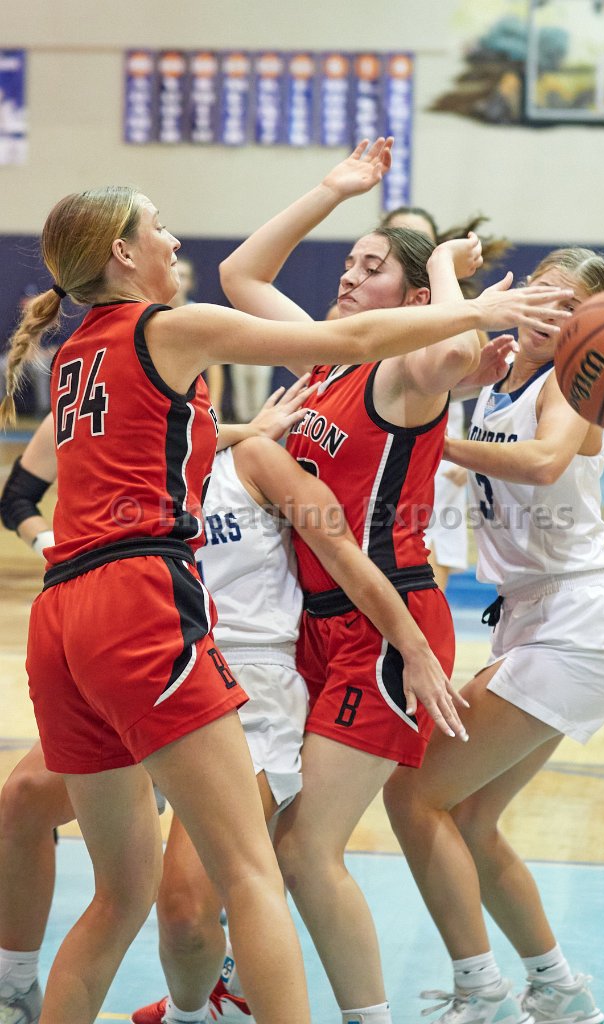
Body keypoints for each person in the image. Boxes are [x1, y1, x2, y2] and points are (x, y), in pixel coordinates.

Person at [0, 138, 570, 1024]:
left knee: (124, 895)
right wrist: (475, 304)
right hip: (141, 602)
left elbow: (165, 441)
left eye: (370, 264)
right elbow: (344, 334)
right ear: (122, 252)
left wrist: (374, 232)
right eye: (158, 227)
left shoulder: (78, 352)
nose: (172, 239)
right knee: (253, 871)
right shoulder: (173, 329)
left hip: (68, 613)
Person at [218, 141, 573, 1024]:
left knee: (305, 850)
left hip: (386, 627)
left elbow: (452, 347)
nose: (348, 276)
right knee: (271, 841)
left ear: (413, 299)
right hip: (314, 622)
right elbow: (238, 275)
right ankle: (239, 990)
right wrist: (331, 190)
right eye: (348, 261)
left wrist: (447, 266)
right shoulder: (327, 356)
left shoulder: (406, 372)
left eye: (370, 267)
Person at [0, 403, 461, 1024]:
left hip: (250, 679)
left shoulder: (255, 461)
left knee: (186, 912)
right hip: (149, 658)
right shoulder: (138, 470)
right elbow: (25, 499)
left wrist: (414, 644)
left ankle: (197, 1010)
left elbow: (344, 553)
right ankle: (14, 984)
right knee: (23, 796)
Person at [382, 247, 604, 1024]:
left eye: (569, 306)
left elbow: (540, 461)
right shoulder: (498, 381)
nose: (548, 312)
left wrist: (430, 437)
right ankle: (557, 988)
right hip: (534, 619)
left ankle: (480, 990)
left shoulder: (576, 383)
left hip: (575, 625)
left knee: (412, 795)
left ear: (590, 328)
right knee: (466, 817)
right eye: (540, 294)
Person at [379, 207, 513, 592]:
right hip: (374, 452)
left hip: (435, 456)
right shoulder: (350, 311)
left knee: (425, 584)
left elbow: (486, 383)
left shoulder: (456, 310)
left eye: (419, 240)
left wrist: (467, 452)